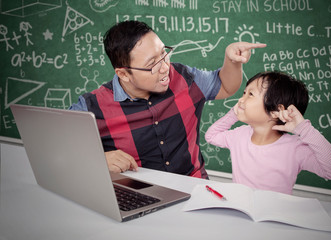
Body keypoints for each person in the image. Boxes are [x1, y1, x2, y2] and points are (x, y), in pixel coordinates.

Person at [70, 20, 266, 179]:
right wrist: (98, 159)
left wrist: (231, 61)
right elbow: (52, 148)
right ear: (124, 74)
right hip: (137, 195)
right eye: (152, 64)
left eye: (164, 53)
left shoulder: (184, 77)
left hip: (195, 187)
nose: (165, 67)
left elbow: (225, 86)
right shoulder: (92, 106)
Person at [205, 71, 331, 194]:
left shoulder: (295, 148)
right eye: (244, 92)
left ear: (276, 111)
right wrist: (234, 113)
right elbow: (211, 136)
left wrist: (304, 129)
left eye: (250, 94)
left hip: (274, 219)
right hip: (241, 213)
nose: (241, 100)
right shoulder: (239, 135)